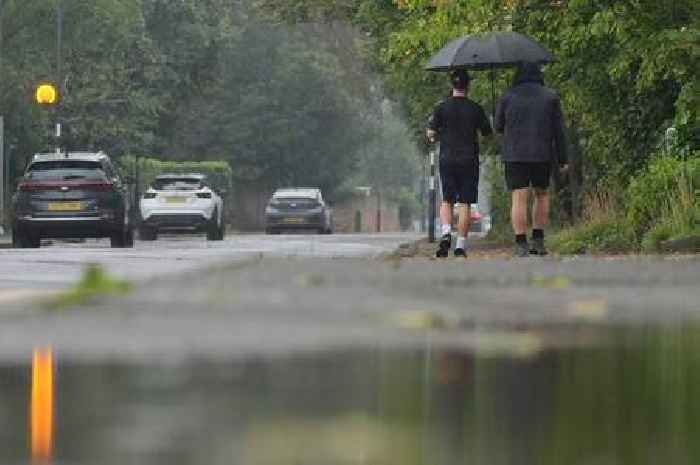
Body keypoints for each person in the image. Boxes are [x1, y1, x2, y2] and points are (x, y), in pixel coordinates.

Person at [495, 62, 568, 257]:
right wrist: (563, 158)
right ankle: (538, 240)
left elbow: (499, 126)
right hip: (541, 153)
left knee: (519, 197)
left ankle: (521, 243)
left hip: (515, 154)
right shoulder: (550, 96)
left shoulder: (507, 96)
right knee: (541, 195)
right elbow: (559, 131)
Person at [427, 70, 493, 258]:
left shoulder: (441, 108)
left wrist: (437, 136)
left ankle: (446, 233)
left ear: (452, 85)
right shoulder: (475, 108)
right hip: (469, 160)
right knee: (465, 202)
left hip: (447, 158)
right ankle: (460, 246)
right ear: (468, 86)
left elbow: (431, 133)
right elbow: (487, 133)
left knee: (447, 199)